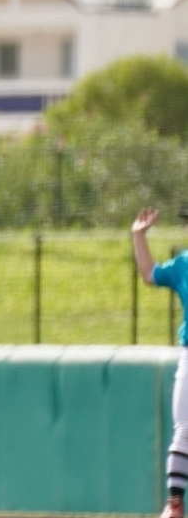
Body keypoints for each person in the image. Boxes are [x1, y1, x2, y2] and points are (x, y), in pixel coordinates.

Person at [132, 206, 188, 518]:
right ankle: (175, 505)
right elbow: (149, 273)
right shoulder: (184, 264)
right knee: (184, 429)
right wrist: (138, 235)